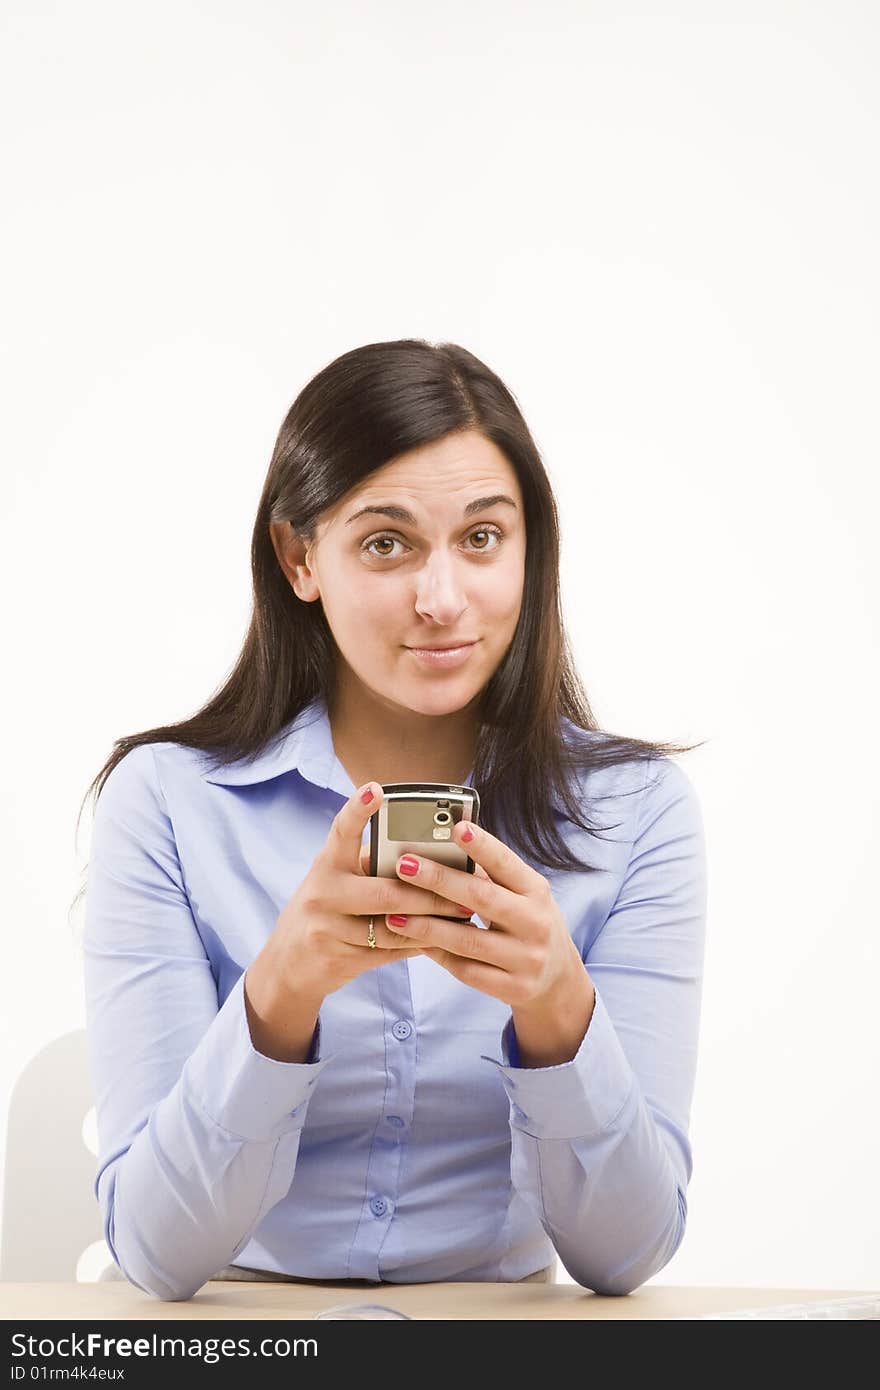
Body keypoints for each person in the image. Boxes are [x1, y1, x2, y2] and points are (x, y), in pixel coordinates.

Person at [76, 338, 708, 1302]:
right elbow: (157, 1255)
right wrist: (282, 988)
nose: (443, 599)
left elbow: (626, 1258)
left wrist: (559, 1014)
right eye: (386, 542)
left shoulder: (635, 814)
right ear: (299, 557)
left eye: (483, 538)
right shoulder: (164, 801)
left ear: (530, 550)